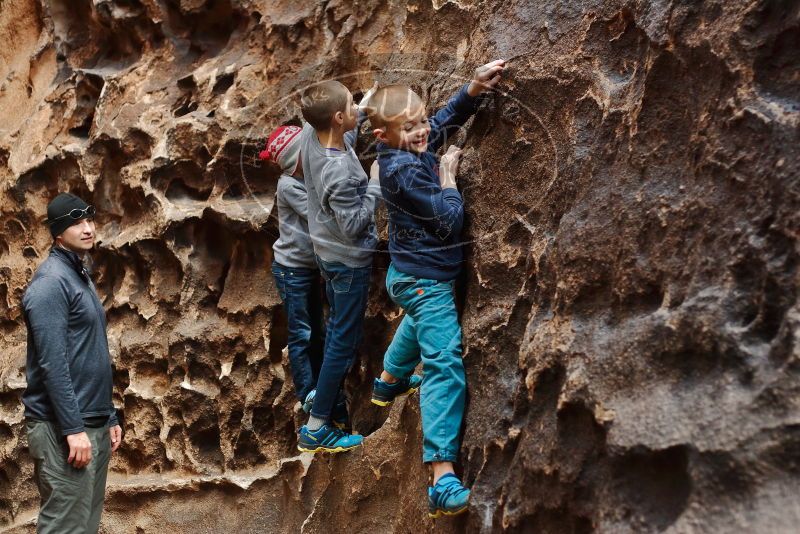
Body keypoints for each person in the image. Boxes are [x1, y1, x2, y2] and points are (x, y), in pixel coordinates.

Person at [364, 59, 505, 517]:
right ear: (383, 137)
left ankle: (387, 381)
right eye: (409, 128)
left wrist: (472, 91)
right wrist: (448, 180)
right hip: (425, 281)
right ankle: (441, 476)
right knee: (443, 362)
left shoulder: (406, 150)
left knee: (419, 320)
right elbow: (447, 221)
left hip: (410, 277)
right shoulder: (403, 171)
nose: (423, 132)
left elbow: (438, 127)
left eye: (420, 120)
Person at [21, 192, 123, 533]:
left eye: (90, 220)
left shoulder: (79, 274)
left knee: (84, 526)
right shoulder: (51, 283)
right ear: (57, 232)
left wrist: (107, 415)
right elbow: (53, 364)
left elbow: (92, 351)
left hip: (89, 423)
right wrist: (73, 429)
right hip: (61, 429)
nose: (88, 228)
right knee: (64, 527)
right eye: (76, 223)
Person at [295, 80, 382, 453]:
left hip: (326, 254)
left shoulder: (310, 135)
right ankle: (316, 428)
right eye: (352, 104)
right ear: (337, 118)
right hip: (347, 262)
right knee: (341, 346)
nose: (357, 106)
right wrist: (375, 184)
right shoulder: (340, 171)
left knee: (335, 335)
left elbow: (338, 127)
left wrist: (361, 110)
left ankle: (321, 397)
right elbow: (354, 223)